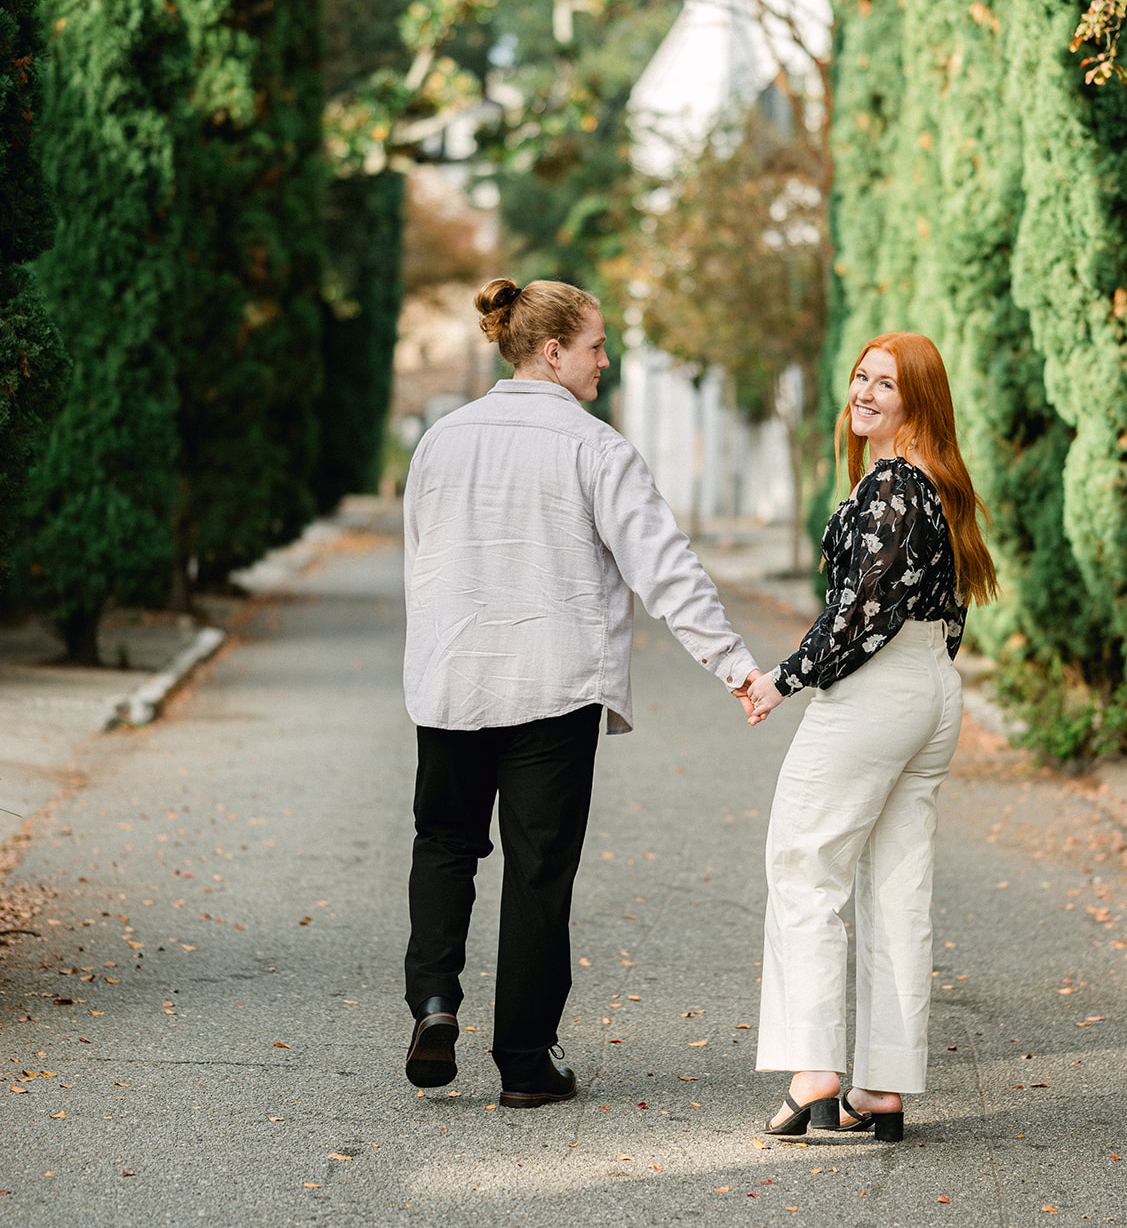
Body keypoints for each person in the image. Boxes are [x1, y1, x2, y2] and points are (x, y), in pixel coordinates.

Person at [401, 278, 761, 1108]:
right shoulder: (594, 447)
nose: (607, 360)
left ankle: (433, 1002)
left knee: (445, 845)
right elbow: (665, 569)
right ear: (554, 351)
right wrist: (736, 665)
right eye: (597, 346)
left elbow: (421, 566)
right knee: (537, 873)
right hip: (550, 690)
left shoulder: (441, 442)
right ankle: (525, 1064)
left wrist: (429, 663)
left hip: (451, 683)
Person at [745, 332, 997, 1142]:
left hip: (883, 688)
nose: (863, 392)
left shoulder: (891, 481)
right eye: (860, 376)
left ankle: (814, 1070)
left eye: (885, 384)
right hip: (931, 689)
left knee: (804, 864)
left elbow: (864, 608)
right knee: (895, 886)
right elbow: (944, 613)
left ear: (918, 400)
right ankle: (882, 1087)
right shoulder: (940, 485)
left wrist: (781, 679)